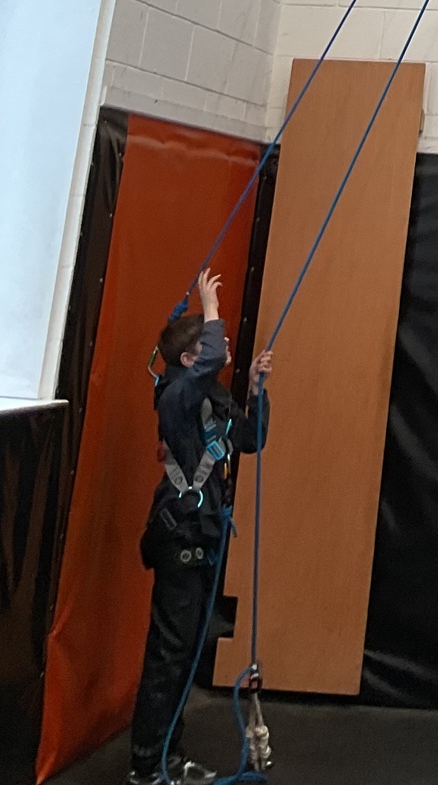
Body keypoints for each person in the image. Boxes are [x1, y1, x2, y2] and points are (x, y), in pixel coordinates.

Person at [127, 269, 273, 785]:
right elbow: (210, 355)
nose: (223, 344)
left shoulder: (210, 396)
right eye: (213, 341)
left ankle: (166, 754)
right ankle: (147, 765)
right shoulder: (176, 398)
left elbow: (250, 439)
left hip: (202, 535)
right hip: (181, 536)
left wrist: (255, 390)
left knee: (184, 653)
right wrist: (209, 308)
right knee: (169, 657)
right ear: (189, 360)